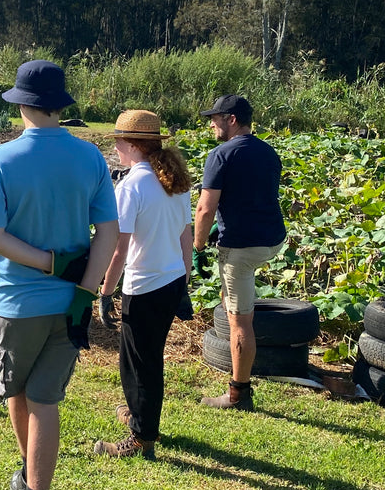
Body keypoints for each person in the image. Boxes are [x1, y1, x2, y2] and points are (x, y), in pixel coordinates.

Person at [0, 60, 118, 490]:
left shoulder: (3, 159)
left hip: (15, 303)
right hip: (67, 307)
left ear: (22, 105)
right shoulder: (90, 157)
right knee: (47, 401)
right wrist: (85, 293)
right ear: (60, 105)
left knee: (17, 392)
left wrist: (48, 262)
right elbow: (109, 235)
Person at [93, 110, 193, 459]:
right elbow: (186, 234)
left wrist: (105, 292)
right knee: (146, 358)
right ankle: (140, 415)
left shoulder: (132, 186)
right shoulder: (175, 181)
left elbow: (119, 249)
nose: (116, 147)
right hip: (170, 281)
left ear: (133, 144)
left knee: (138, 362)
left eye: (119, 141)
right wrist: (186, 279)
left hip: (144, 286)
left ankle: (141, 437)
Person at [193, 94, 286, 412]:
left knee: (240, 322)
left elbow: (205, 208)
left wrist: (198, 245)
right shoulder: (269, 152)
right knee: (234, 301)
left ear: (231, 119)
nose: (211, 123)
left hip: (242, 248)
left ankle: (238, 393)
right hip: (272, 240)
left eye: (215, 117)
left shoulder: (221, 155)